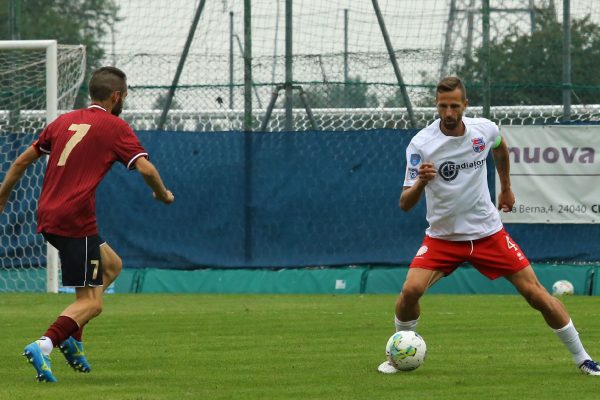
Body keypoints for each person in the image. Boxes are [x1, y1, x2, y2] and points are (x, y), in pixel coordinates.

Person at [377, 76, 600, 376]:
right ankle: (397, 355)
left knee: (536, 294)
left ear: (465, 105)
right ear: (436, 105)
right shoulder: (421, 144)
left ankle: (583, 358)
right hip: (444, 238)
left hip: (487, 234)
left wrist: (505, 187)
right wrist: (421, 181)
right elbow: (405, 203)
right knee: (410, 291)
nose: (449, 113)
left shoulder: (485, 129)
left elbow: (500, 148)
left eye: (455, 106)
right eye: (443, 106)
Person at [0, 66, 175, 382]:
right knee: (92, 303)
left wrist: (2, 198)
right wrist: (162, 194)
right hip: (74, 220)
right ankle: (46, 343)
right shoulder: (114, 127)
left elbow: (21, 162)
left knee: (111, 266)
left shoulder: (63, 122)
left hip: (50, 215)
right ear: (116, 96)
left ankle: (73, 337)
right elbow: (146, 169)